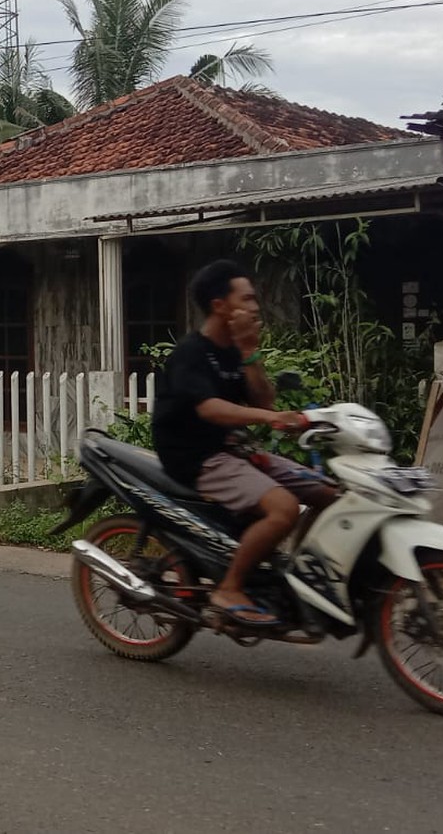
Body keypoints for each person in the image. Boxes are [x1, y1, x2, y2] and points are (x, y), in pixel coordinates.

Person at [152, 260, 337, 627]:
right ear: (220, 305)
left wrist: (250, 351)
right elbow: (211, 410)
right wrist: (269, 419)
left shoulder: (235, 351)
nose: (255, 306)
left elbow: (263, 401)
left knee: (328, 493)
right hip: (196, 456)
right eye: (247, 298)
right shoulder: (192, 352)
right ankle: (230, 588)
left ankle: (294, 575)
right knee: (284, 508)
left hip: (232, 451)